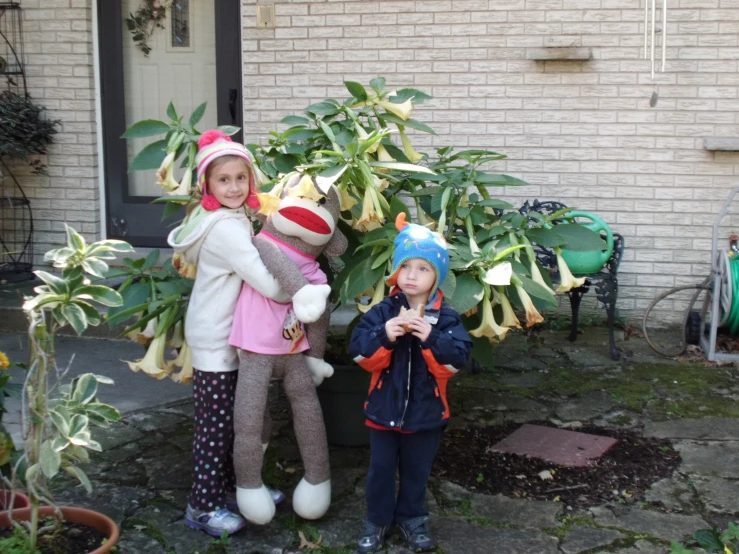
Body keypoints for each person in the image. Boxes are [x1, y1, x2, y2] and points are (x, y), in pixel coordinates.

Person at [167, 130, 290, 537]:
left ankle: (237, 491)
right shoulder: (225, 229)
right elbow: (267, 283)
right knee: (216, 428)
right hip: (216, 340)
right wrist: (301, 282)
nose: (234, 187)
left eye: (241, 177)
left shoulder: (234, 218)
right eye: (224, 180)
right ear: (208, 185)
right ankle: (201, 506)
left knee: (234, 422)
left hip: (229, 334)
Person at [349, 213, 473, 553]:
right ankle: (376, 520)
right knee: (381, 470)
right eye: (406, 267)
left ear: (437, 277)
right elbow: (360, 354)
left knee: (417, 471)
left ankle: (412, 518)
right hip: (383, 411)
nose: (412, 276)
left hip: (426, 413)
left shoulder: (445, 318)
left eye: (423, 268)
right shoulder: (382, 313)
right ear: (396, 271)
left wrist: (431, 337)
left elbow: (455, 362)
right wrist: (384, 335)